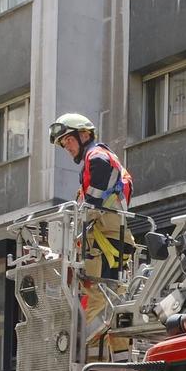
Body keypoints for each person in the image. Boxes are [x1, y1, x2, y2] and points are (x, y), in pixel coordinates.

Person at [47, 112, 137, 283]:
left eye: (69, 140)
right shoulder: (92, 161)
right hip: (106, 239)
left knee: (96, 300)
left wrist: (88, 208)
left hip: (104, 242)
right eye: (64, 144)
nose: (67, 147)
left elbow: (94, 202)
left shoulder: (96, 156)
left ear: (85, 135)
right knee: (97, 296)